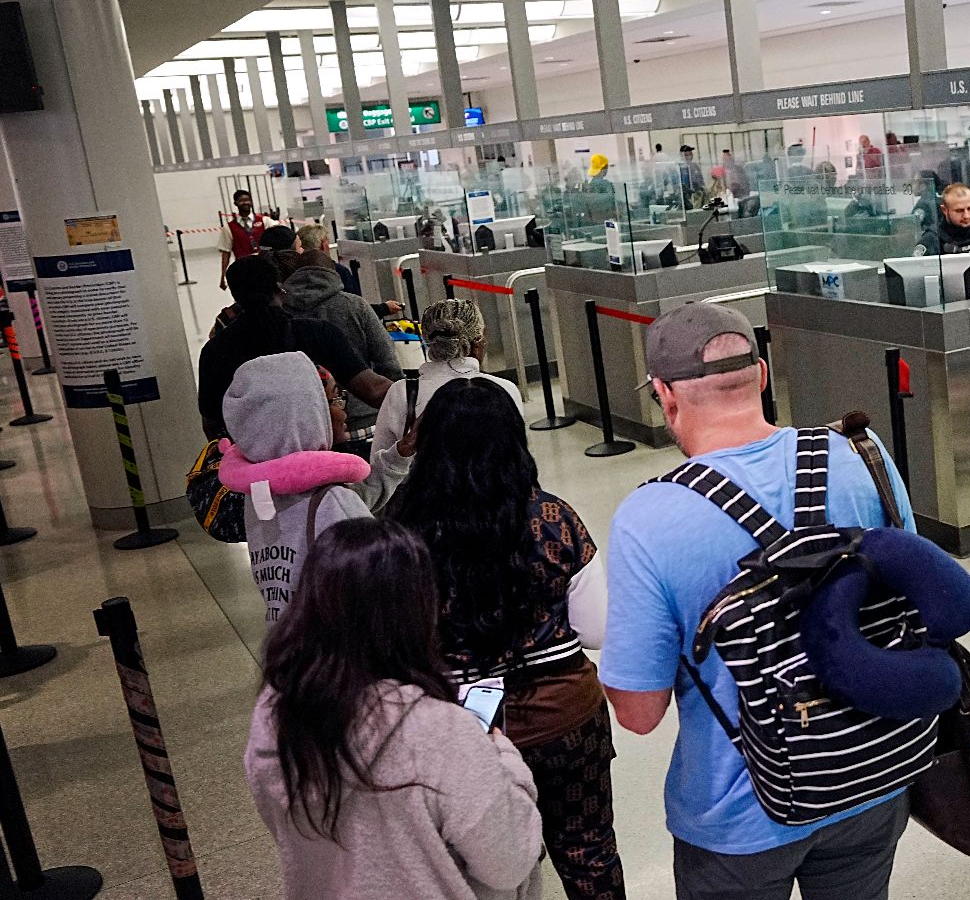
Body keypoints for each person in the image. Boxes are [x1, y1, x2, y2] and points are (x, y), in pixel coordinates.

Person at [598, 304, 918, 900]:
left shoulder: (649, 518)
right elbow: (914, 600)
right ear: (763, 375)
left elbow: (639, 714)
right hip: (873, 772)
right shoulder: (862, 453)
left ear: (665, 396)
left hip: (737, 820)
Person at [387, 380, 624, 900]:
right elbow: (598, 629)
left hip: (453, 726)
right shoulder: (554, 518)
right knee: (588, 850)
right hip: (563, 717)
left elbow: (391, 639)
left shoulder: (399, 528)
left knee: (484, 869)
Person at [246, 517, 547, 899]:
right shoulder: (436, 731)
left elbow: (280, 824)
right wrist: (504, 759)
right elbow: (509, 862)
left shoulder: (274, 711)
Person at [217, 352, 378, 625]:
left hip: (289, 644)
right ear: (306, 414)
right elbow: (377, 597)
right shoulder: (334, 501)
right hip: (339, 657)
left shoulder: (259, 493)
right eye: (334, 400)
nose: (343, 410)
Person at [198, 255, 390, 442]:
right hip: (321, 458)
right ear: (280, 288)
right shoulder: (317, 333)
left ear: (235, 296)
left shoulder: (215, 350)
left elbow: (212, 423)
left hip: (256, 464)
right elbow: (373, 390)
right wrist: (415, 391)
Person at [366, 299, 517, 505]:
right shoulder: (505, 390)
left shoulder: (402, 392)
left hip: (424, 516)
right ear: (479, 341)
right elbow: (515, 462)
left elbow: (378, 466)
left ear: (427, 341)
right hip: (493, 509)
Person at [285, 250, 403, 450]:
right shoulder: (355, 306)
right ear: (333, 273)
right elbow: (388, 361)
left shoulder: (283, 314)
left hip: (312, 433)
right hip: (369, 422)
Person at [219, 188, 270, 291]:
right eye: (241, 200)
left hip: (265, 266)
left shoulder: (265, 221)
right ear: (235, 203)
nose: (245, 202)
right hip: (243, 270)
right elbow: (226, 253)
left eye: (247, 199)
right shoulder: (229, 227)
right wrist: (223, 276)